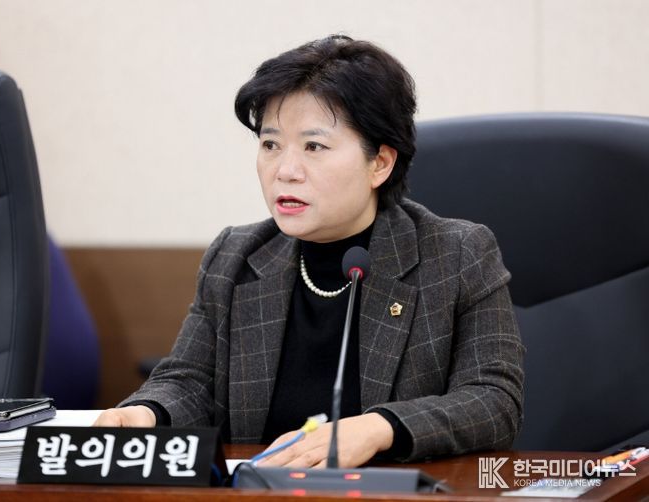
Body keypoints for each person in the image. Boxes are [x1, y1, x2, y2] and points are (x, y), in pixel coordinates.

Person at [94, 35, 525, 468]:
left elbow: (494, 401)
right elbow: (189, 381)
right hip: (261, 492)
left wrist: (379, 428)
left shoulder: (455, 255)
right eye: (270, 145)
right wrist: (146, 412)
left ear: (380, 163)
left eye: (313, 146)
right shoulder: (235, 257)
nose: (285, 171)